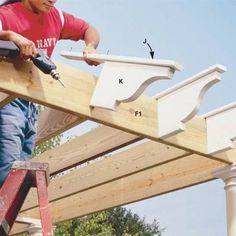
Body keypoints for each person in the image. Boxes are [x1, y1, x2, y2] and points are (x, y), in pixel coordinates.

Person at [0, 0, 100, 186]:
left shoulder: (57, 17)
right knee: (8, 165)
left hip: (30, 103)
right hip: (6, 98)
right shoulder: (5, 15)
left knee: (19, 175)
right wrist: (11, 36)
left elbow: (89, 29)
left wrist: (90, 47)